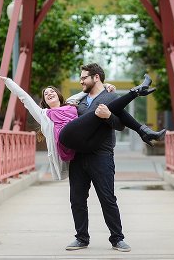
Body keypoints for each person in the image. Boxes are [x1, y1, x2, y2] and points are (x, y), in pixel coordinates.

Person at [0, 73, 164, 181]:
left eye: (51, 91)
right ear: (45, 101)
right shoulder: (44, 115)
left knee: (106, 107)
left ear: (58, 95)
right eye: (45, 95)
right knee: (99, 112)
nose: (49, 93)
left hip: (85, 139)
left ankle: (143, 130)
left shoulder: (71, 103)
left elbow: (89, 91)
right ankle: (136, 95)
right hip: (68, 139)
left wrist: (106, 87)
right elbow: (24, 98)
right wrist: (8, 81)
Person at [60, 63, 137, 252]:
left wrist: (109, 115)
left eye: (84, 77)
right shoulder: (79, 101)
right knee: (77, 199)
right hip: (78, 156)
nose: (80, 81)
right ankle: (81, 238)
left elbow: (120, 125)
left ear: (96, 77)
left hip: (101, 156)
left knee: (107, 198)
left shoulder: (110, 98)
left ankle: (117, 238)